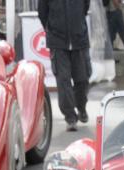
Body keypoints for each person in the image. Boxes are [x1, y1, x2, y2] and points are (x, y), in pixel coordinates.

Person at [38, 0, 91, 132]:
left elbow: (85, 6)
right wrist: (52, 28)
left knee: (82, 79)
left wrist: (78, 24)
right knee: (63, 80)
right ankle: (70, 117)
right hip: (58, 42)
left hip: (79, 39)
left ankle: (81, 106)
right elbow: (42, 13)